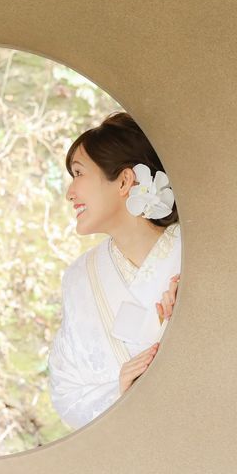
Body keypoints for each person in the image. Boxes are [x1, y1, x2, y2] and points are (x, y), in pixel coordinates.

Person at [48, 112, 180, 429]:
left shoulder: (196, 254)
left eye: (78, 173)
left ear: (124, 181)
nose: (69, 193)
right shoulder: (80, 277)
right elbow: (66, 393)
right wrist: (121, 391)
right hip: (128, 443)